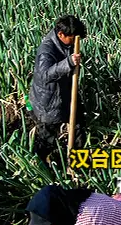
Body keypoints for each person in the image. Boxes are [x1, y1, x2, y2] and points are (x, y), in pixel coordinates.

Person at [28, 15, 87, 161]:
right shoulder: (46, 51)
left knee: (79, 126)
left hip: (66, 94)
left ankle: (77, 161)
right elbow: (44, 75)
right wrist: (68, 62)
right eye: (72, 38)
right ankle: (38, 163)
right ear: (61, 34)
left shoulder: (66, 42)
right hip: (50, 101)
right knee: (47, 137)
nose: (75, 42)